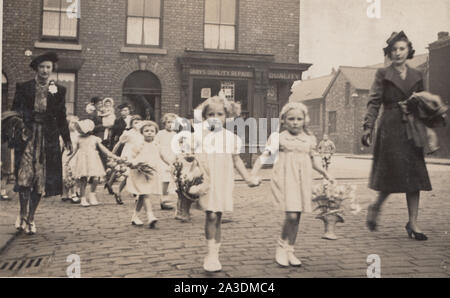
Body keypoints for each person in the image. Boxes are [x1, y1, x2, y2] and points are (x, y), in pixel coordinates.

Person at [362, 31, 431, 241]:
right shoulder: (382, 74)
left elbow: (425, 101)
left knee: (415, 176)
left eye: (402, 48)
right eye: (394, 50)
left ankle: (413, 222)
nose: (398, 53)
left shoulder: (418, 75)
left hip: (411, 128)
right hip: (390, 127)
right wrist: (368, 127)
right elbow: (374, 102)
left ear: (409, 50)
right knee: (392, 174)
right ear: (389, 53)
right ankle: (376, 206)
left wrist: (427, 117)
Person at [251, 102, 333, 267]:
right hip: (285, 179)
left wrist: (325, 173)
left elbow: (315, 160)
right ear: (283, 121)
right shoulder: (279, 138)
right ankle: (281, 246)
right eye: (291, 119)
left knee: (297, 217)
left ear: (304, 120)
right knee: (291, 215)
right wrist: (253, 172)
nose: (295, 122)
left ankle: (290, 249)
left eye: (299, 119)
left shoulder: (309, 139)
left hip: (303, 180)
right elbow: (265, 155)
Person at [193, 96, 259, 272]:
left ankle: (215, 253)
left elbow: (237, 160)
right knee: (211, 215)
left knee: (218, 216)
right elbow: (190, 158)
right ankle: (210, 254)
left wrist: (248, 177)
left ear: (227, 116)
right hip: (207, 179)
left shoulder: (231, 138)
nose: (215, 117)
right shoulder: (198, 135)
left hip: (223, 179)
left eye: (219, 114)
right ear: (205, 116)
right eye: (210, 114)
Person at [11, 52, 72, 234]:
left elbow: (61, 117)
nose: (45, 71)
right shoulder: (24, 87)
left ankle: (31, 217)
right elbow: (16, 112)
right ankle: (22, 214)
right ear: (36, 69)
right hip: (27, 137)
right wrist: (21, 128)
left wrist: (67, 138)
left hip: (48, 139)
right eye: (42, 67)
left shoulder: (59, 90)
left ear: (52, 70)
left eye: (48, 67)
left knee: (40, 179)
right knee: (24, 177)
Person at [66, 119, 120, 207]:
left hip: (93, 159)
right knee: (83, 179)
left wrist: (114, 156)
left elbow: (104, 150)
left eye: (80, 129)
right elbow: (74, 151)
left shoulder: (94, 139)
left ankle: (92, 194)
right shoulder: (78, 139)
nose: (79, 131)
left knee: (95, 178)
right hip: (82, 160)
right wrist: (68, 160)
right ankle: (83, 198)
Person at [126, 121, 162, 228]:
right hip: (139, 172)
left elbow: (162, 156)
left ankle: (135, 216)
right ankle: (150, 216)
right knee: (145, 193)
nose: (149, 133)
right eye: (146, 131)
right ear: (142, 132)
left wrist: (171, 164)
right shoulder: (139, 144)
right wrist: (132, 163)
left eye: (152, 131)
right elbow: (131, 156)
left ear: (156, 133)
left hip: (150, 173)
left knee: (142, 194)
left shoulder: (156, 145)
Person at [108, 115, 143, 204]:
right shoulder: (128, 133)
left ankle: (136, 194)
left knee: (137, 175)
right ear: (131, 124)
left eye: (139, 122)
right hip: (129, 155)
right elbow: (119, 143)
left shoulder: (142, 133)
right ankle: (119, 192)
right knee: (128, 175)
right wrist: (111, 154)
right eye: (135, 122)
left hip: (138, 155)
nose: (137, 124)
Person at [154, 113, 179, 211]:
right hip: (162, 158)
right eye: (168, 122)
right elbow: (156, 145)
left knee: (169, 179)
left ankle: (166, 200)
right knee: (164, 179)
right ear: (164, 123)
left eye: (173, 122)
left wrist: (175, 159)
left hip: (171, 157)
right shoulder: (160, 133)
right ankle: (162, 199)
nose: (170, 124)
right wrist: (163, 158)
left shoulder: (175, 134)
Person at [61, 115, 80, 204]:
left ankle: (74, 193)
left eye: (75, 123)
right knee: (66, 174)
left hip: (76, 156)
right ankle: (65, 193)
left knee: (74, 174)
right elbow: (61, 146)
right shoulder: (64, 135)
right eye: (72, 123)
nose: (74, 125)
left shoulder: (78, 134)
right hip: (67, 155)